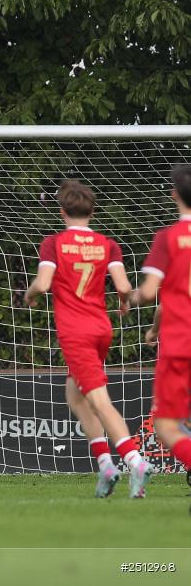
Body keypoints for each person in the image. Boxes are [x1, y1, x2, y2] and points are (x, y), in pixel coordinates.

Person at [24, 179, 152, 498]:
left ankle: (135, 461)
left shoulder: (54, 242)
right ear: (92, 211)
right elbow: (123, 287)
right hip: (101, 328)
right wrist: (123, 303)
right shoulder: (108, 244)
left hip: (76, 331)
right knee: (75, 396)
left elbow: (42, 283)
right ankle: (105, 465)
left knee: (98, 400)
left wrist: (29, 295)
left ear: (61, 211)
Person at [129, 165, 191, 482]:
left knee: (167, 424)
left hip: (180, 342)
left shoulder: (168, 238)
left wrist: (131, 297)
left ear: (174, 195)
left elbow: (153, 294)